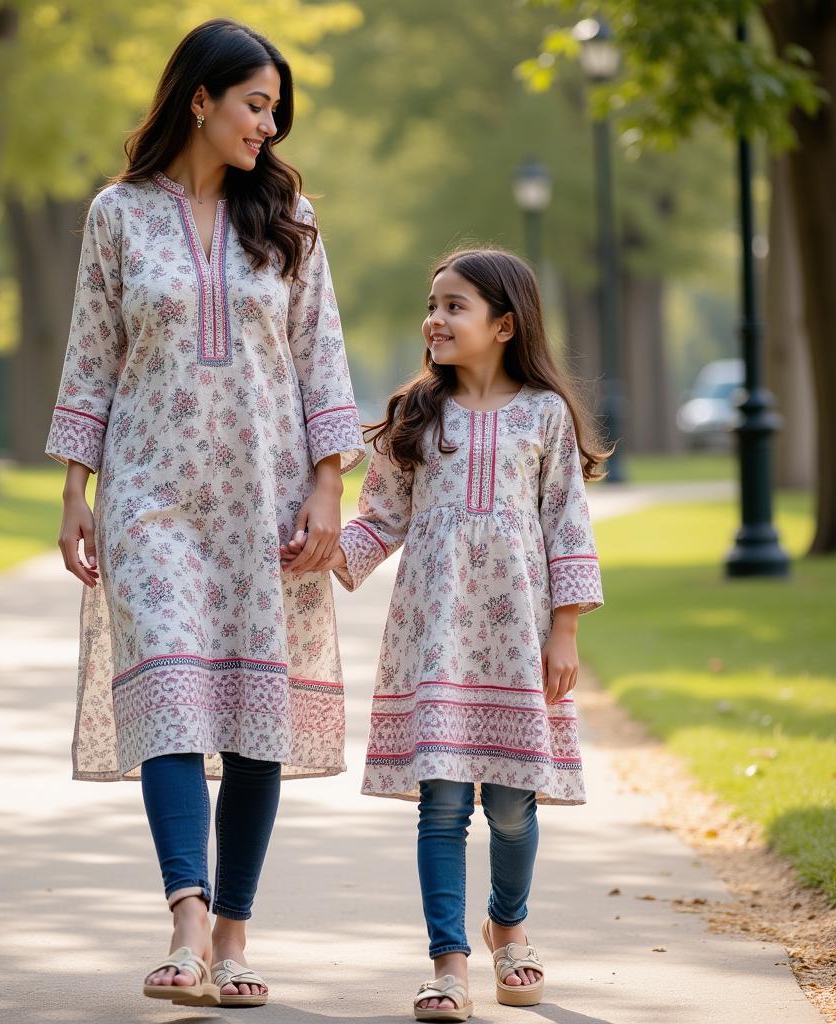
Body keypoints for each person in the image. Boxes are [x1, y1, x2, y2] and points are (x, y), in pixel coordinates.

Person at [47, 18, 364, 1009]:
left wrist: (326, 482)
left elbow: (321, 354)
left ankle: (232, 939)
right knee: (174, 693)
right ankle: (186, 920)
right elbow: (91, 354)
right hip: (149, 498)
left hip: (263, 500)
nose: (267, 126)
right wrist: (75, 492)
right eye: (254, 104)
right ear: (200, 99)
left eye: (277, 111)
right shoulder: (118, 215)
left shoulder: (288, 216)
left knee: (255, 723)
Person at [283, 248, 608, 1021]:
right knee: (441, 808)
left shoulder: (544, 416)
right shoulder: (416, 416)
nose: (435, 318)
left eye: (454, 306)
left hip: (515, 639)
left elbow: (567, 521)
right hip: (435, 640)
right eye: (432, 303)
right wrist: (319, 553)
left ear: (503, 324)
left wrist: (565, 631)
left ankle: (510, 926)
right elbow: (380, 518)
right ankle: (448, 964)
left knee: (511, 808)